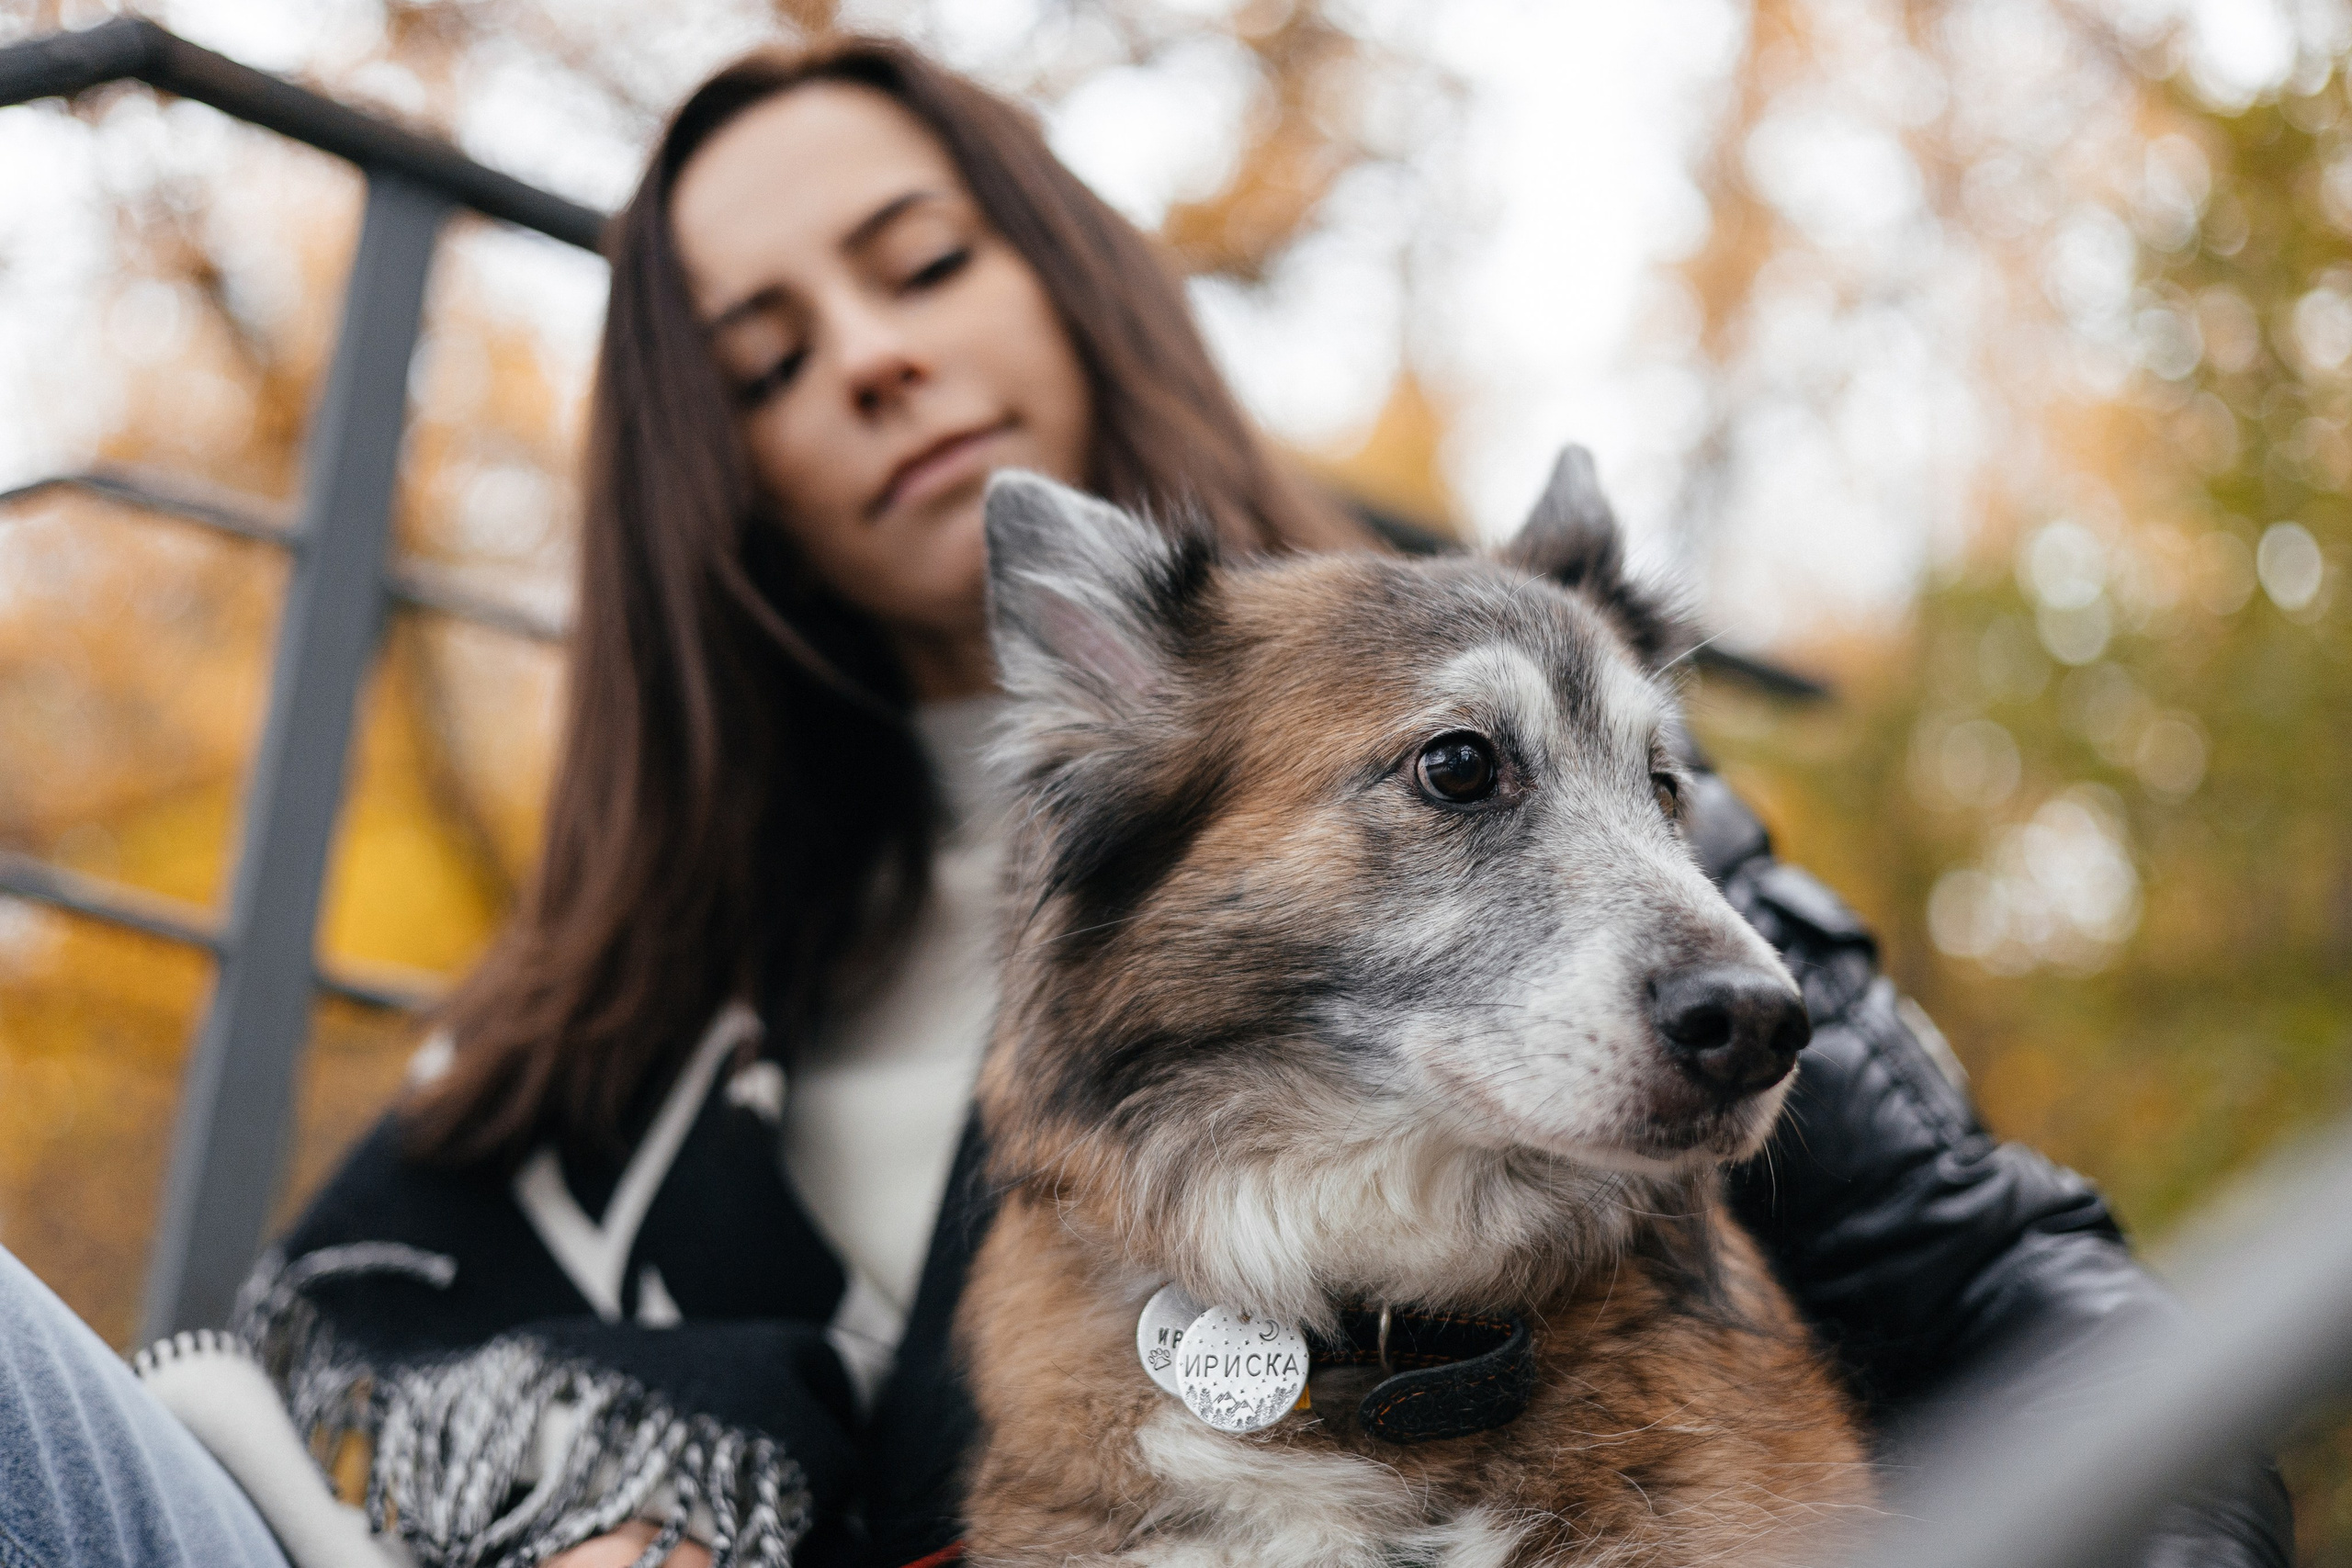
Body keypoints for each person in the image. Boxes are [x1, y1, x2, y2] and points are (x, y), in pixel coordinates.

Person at [0, 34, 2294, 1568]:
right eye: (767, 355)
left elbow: (2012, 1289)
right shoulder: (658, 967)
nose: (873, 356)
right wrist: (654, 1443)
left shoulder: (1583, 817)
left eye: (916, 265)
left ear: (1064, 277)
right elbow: (291, 1334)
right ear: (715, 481)